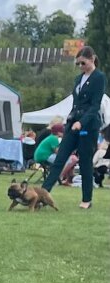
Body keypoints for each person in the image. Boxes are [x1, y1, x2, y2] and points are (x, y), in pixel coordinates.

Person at [42, 46, 107, 210]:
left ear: (92, 59)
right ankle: (43, 194)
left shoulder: (99, 77)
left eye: (83, 63)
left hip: (88, 126)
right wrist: (70, 121)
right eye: (78, 64)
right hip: (73, 124)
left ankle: (87, 199)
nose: (80, 67)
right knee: (60, 158)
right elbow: (75, 103)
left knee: (85, 162)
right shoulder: (78, 79)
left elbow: (95, 106)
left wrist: (82, 122)